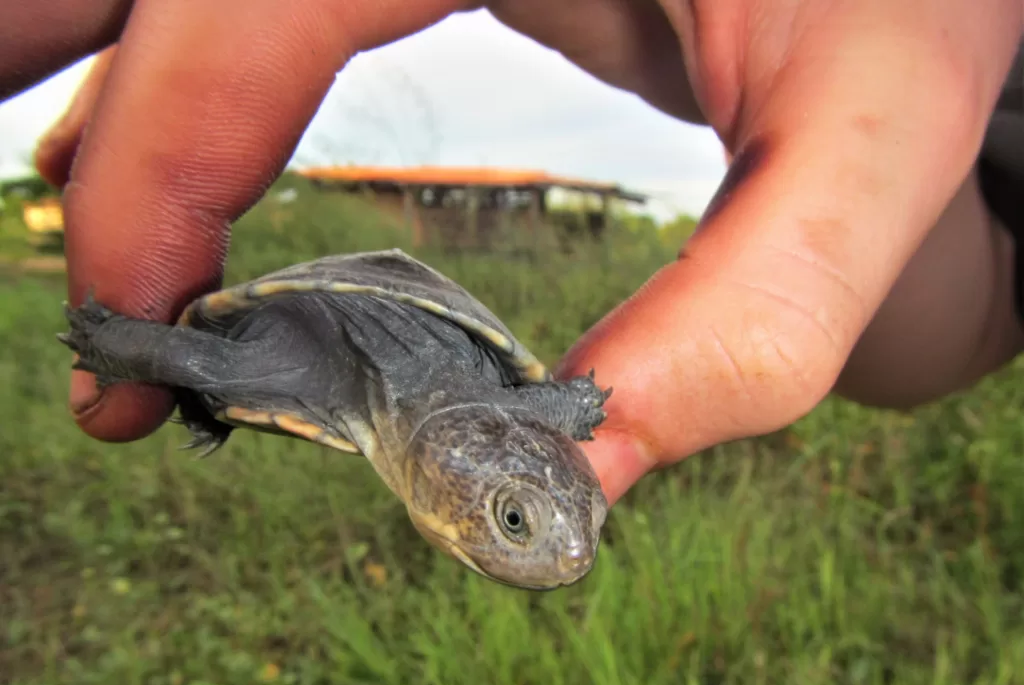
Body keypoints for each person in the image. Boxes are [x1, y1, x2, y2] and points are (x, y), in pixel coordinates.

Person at [3, 0, 1022, 506]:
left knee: (195, 374)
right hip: (318, 335)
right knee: (198, 363)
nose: (554, 549)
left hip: (391, 376)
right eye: (516, 523)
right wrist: (123, 344)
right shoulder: (469, 408)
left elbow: (945, 341)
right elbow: (569, 409)